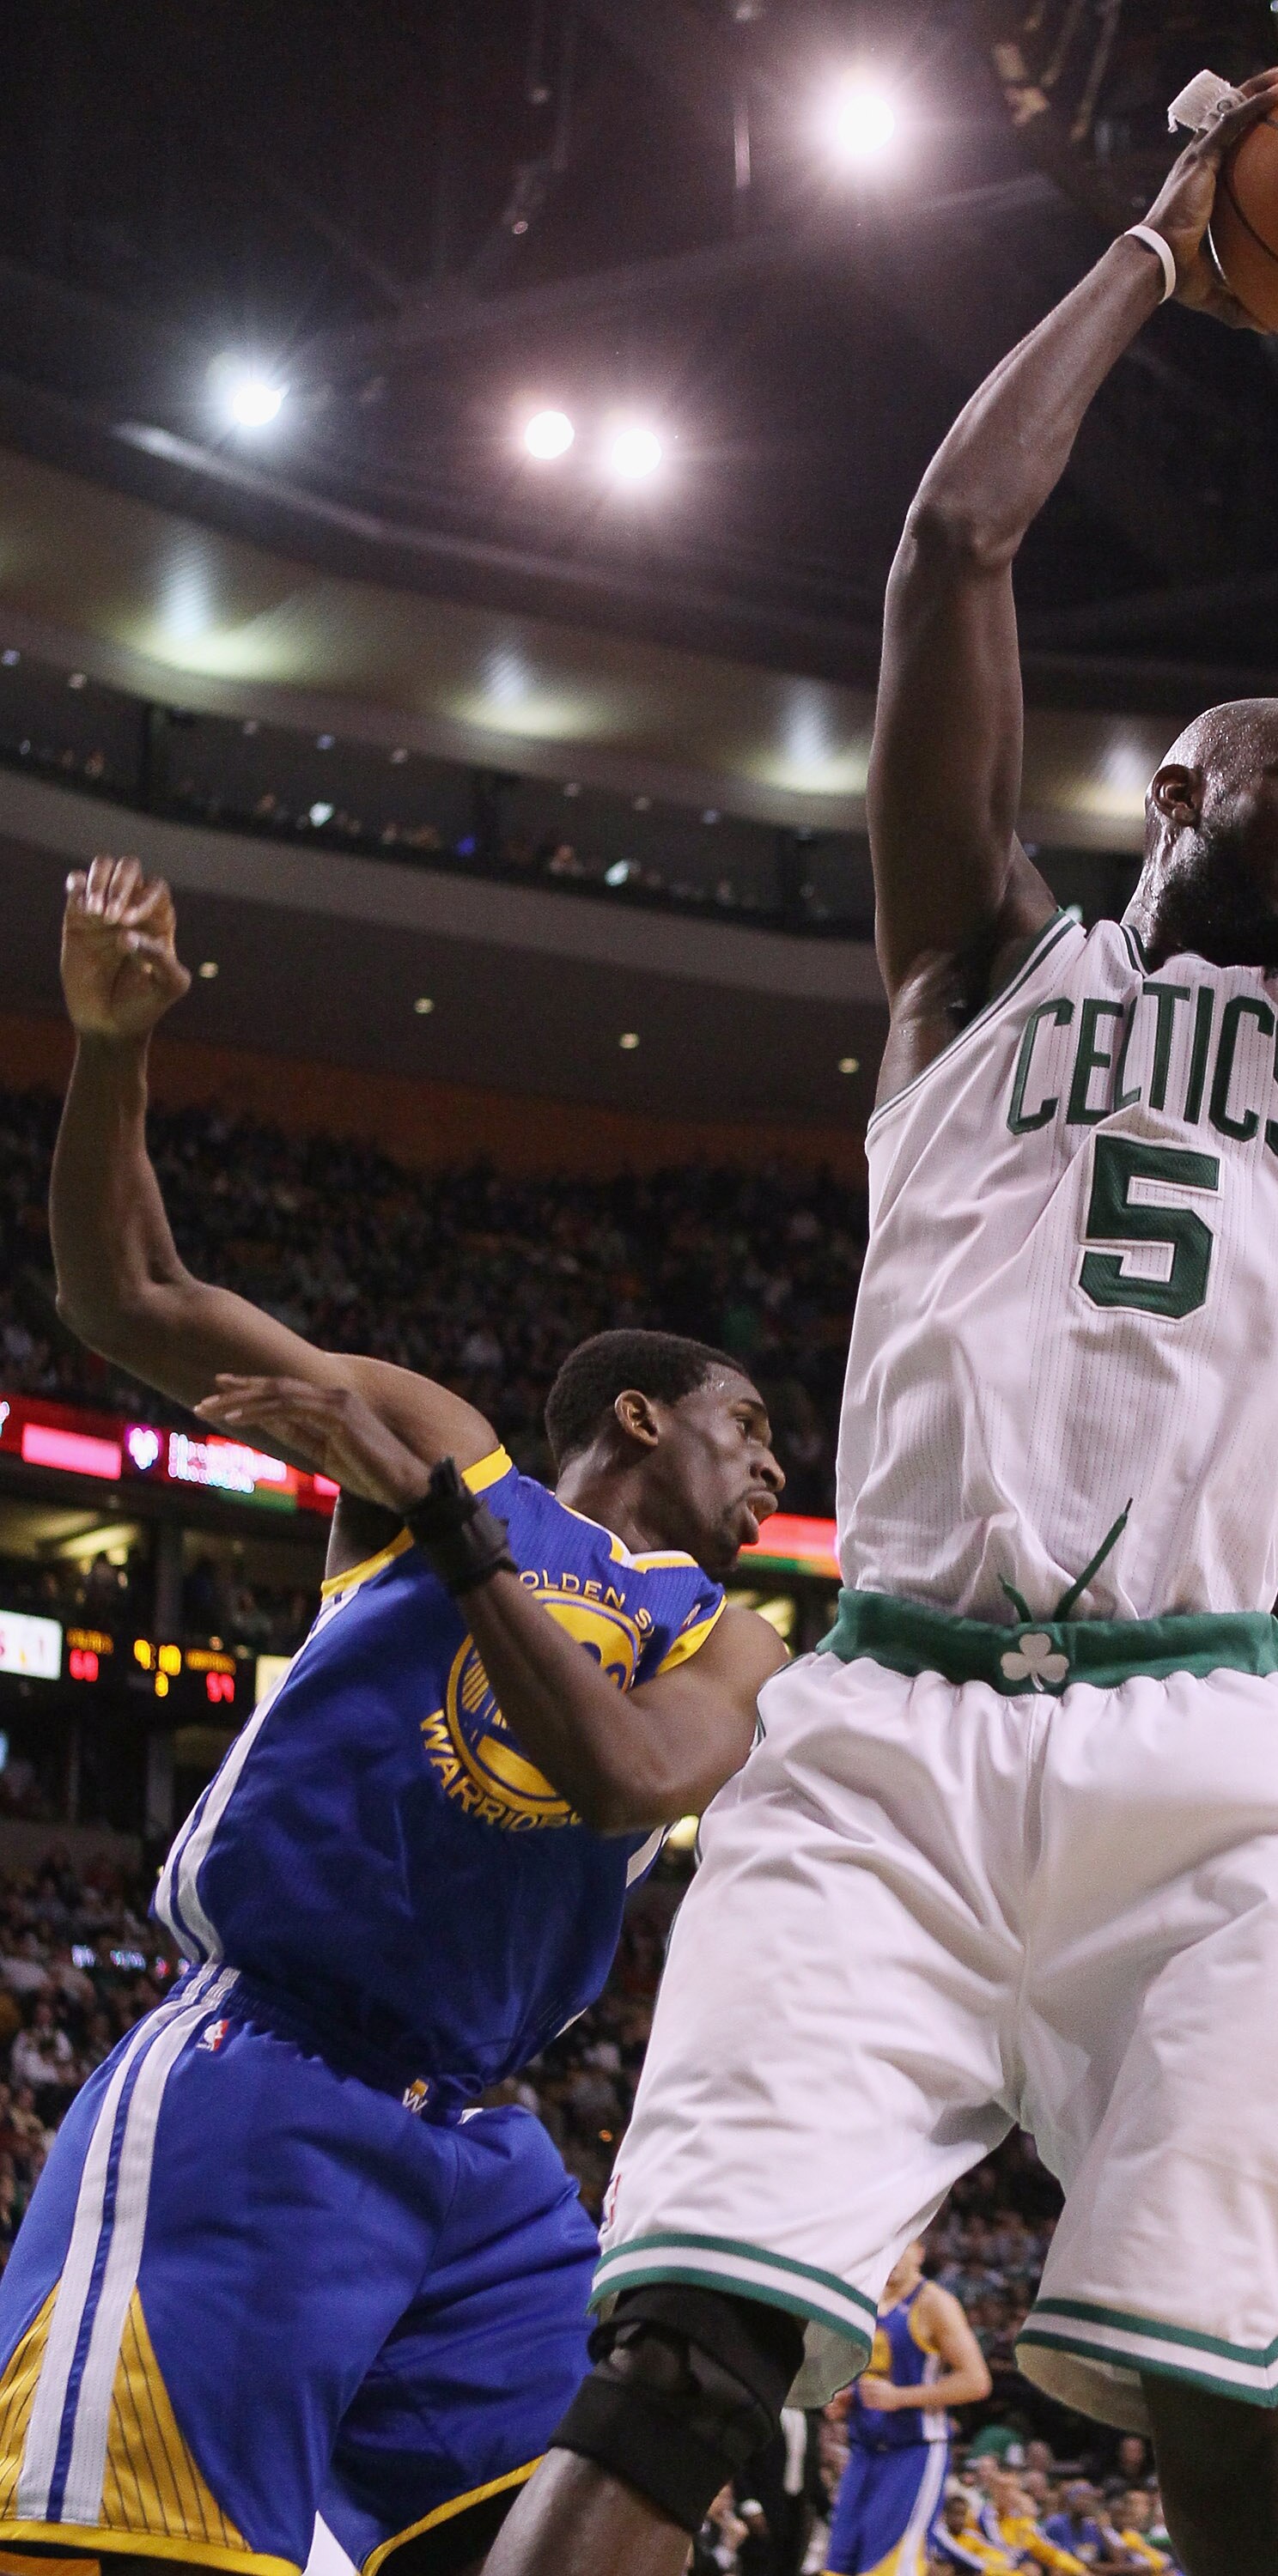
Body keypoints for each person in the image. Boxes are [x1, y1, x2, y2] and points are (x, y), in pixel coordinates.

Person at [488, 64, 1278, 2576]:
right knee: (670, 2378)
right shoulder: (971, 968)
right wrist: (1162, 245)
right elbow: (947, 540)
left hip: (1207, 1739)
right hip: (876, 1715)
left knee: (1232, 2421)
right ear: (1160, 792)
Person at [0, 861, 788, 2576]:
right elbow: (124, 1298)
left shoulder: (732, 1639)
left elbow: (628, 1779)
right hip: (262, 2070)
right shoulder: (459, 1438)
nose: (777, 1464)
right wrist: (113, 1054)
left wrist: (449, 1541)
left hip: (487, 2147)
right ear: (643, 1412)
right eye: (750, 1429)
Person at [825, 2240, 990, 2576]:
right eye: (886, 2248)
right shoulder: (866, 2297)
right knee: (838, 2566)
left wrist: (899, 2398)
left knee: (889, 2567)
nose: (893, 2258)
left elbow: (976, 2381)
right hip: (864, 2450)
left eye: (902, 2248)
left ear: (920, 2252)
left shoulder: (934, 2303)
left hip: (913, 2452)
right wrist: (849, 2395)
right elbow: (878, 2372)